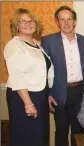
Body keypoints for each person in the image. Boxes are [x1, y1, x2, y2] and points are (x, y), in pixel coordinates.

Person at [41, 6, 84, 146]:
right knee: (61, 130)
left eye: (69, 19)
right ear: (57, 22)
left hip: (81, 91)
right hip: (59, 93)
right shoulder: (48, 41)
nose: (66, 22)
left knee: (79, 130)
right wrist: (48, 93)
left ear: (74, 22)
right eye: (62, 19)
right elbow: (43, 70)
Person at [4, 8, 54, 146]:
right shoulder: (14, 45)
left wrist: (48, 94)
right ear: (16, 26)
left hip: (40, 95)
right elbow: (17, 76)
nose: (27, 24)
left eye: (30, 21)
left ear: (36, 24)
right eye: (22, 21)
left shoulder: (37, 44)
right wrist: (28, 104)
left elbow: (43, 71)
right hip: (24, 96)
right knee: (27, 137)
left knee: (41, 136)